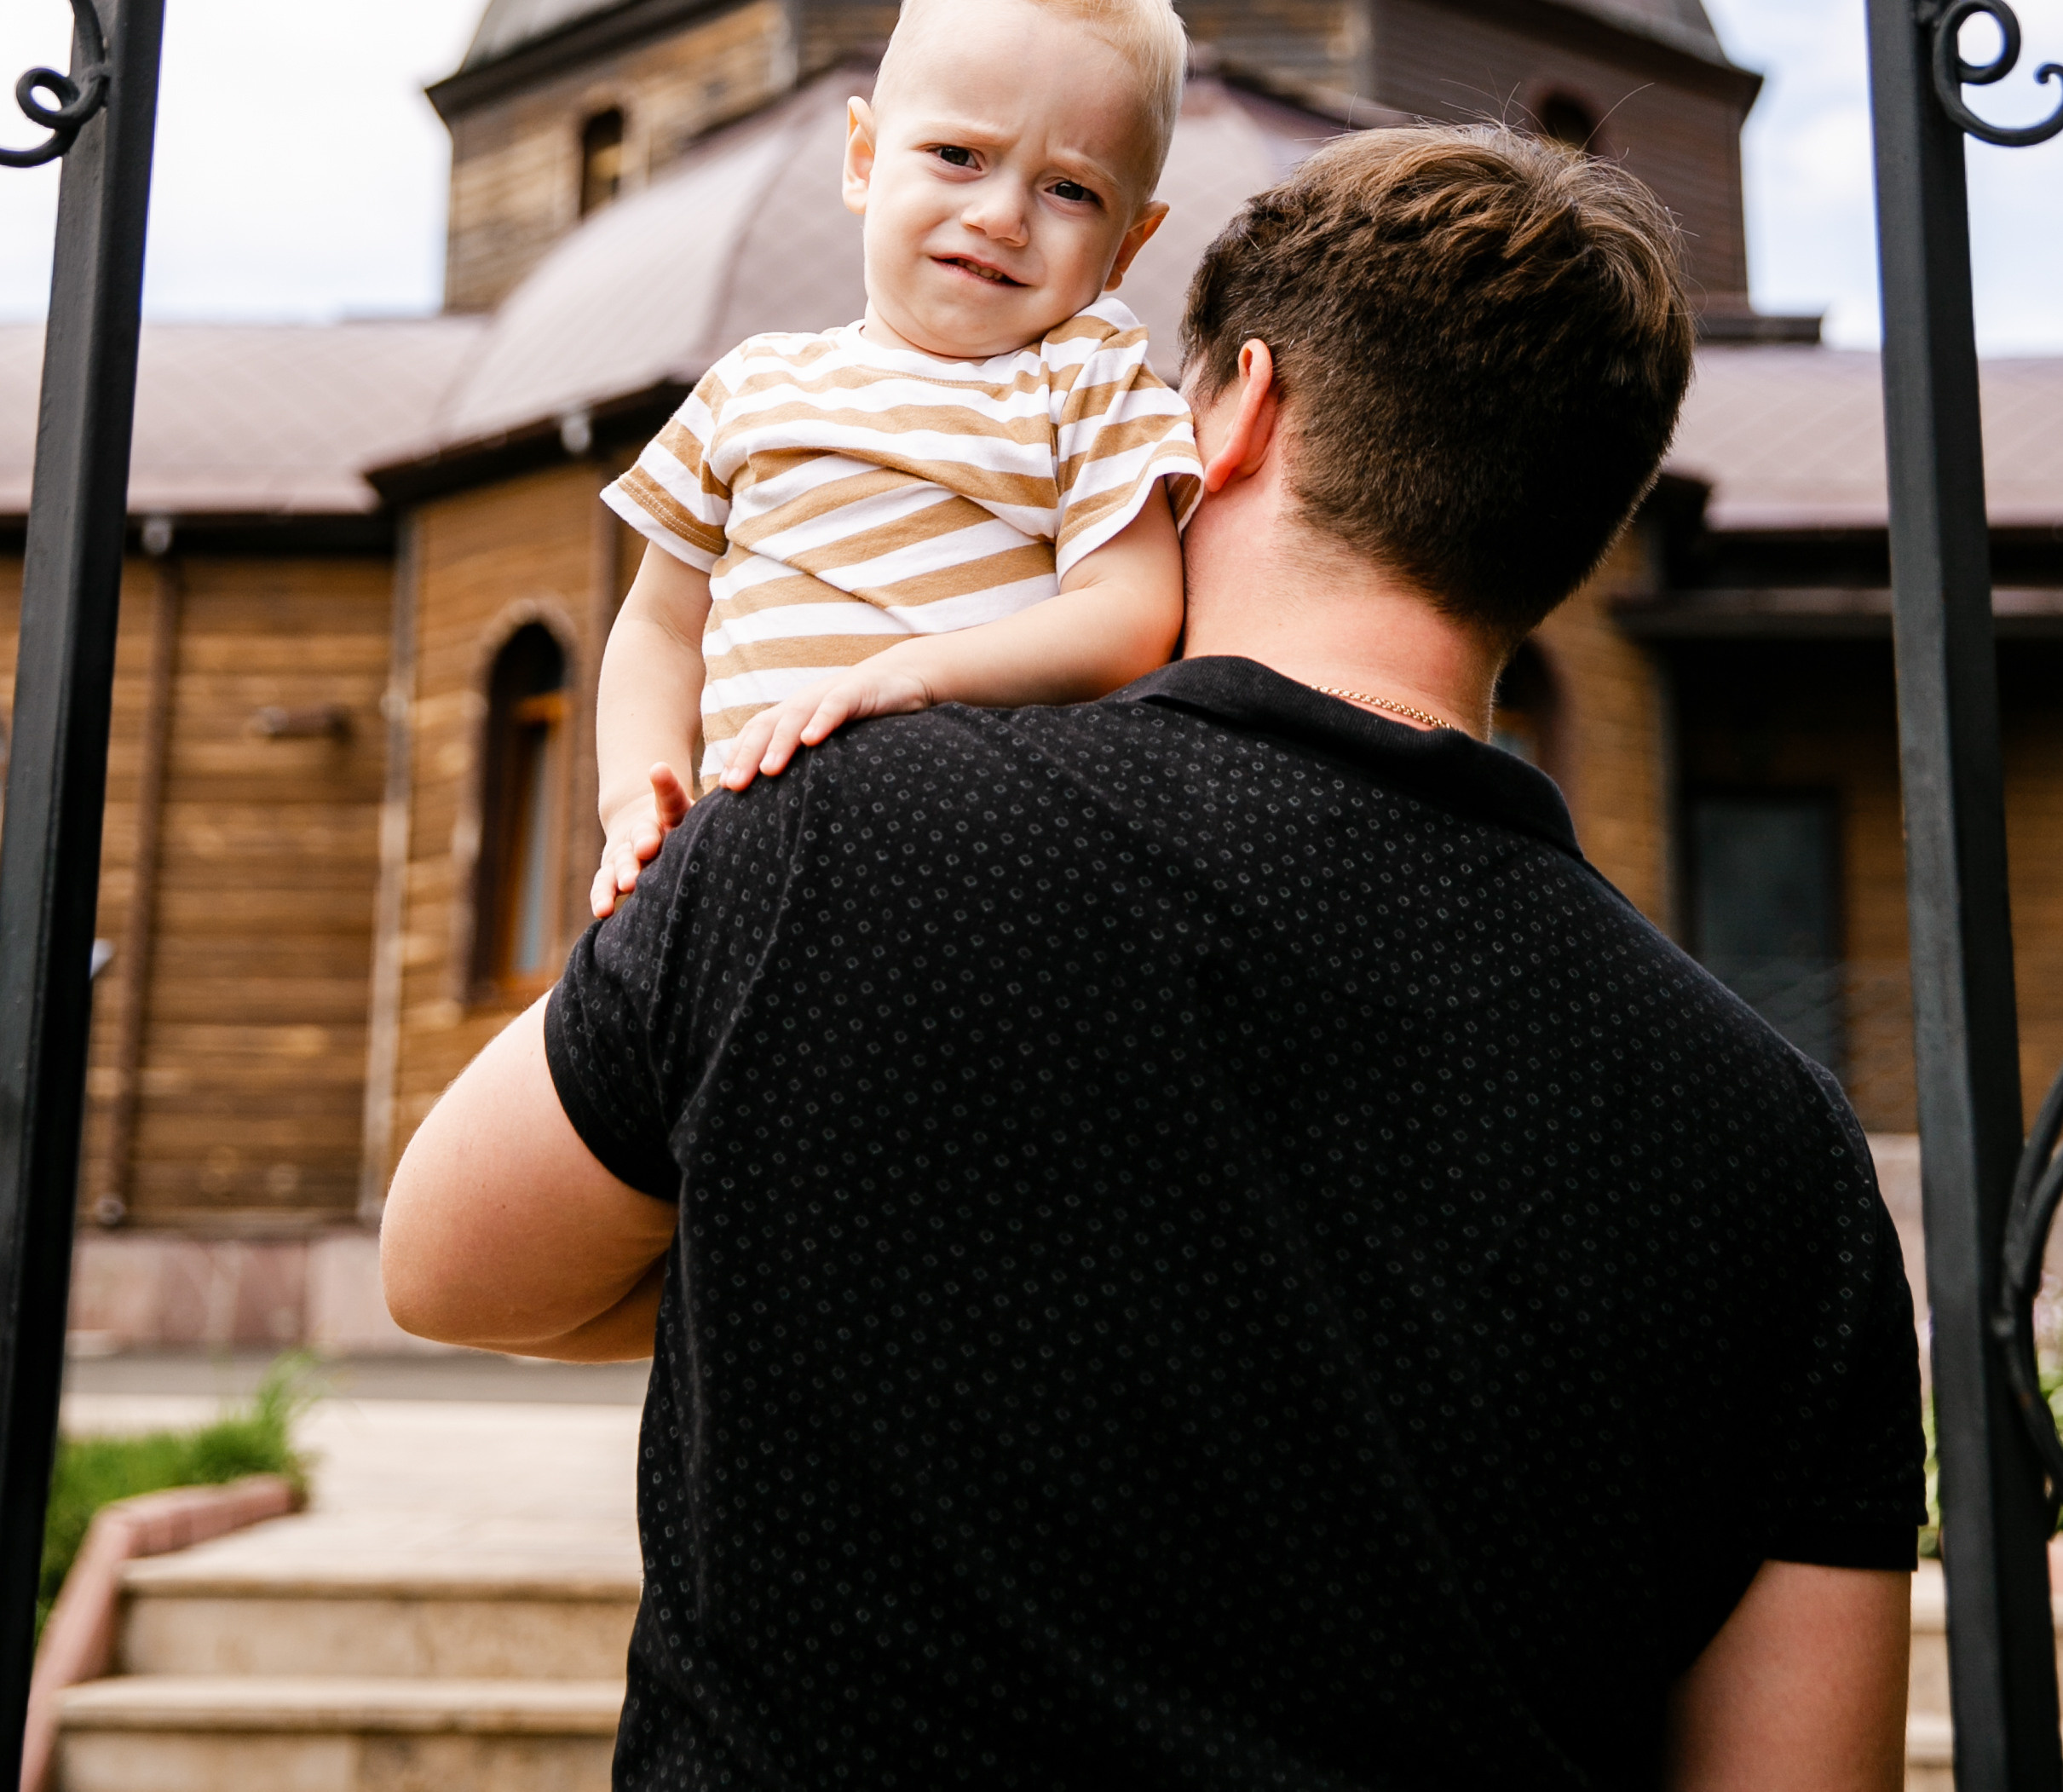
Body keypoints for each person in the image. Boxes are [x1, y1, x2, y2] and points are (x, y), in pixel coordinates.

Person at [384, 124, 1922, 1792]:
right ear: (1569, 530)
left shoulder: (838, 833)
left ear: (1240, 411)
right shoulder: (1780, 1155)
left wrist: (850, 1241)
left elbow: (451, 1265)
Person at [589, 0, 1198, 918]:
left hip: (984, 877)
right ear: (865, 160)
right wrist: (630, 803)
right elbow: (659, 625)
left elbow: (1131, 615)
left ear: (1128, 246)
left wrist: (920, 676)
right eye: (959, 154)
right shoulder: (753, 387)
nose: (1001, 215)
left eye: (1068, 189)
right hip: (743, 869)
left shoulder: (1088, 381)